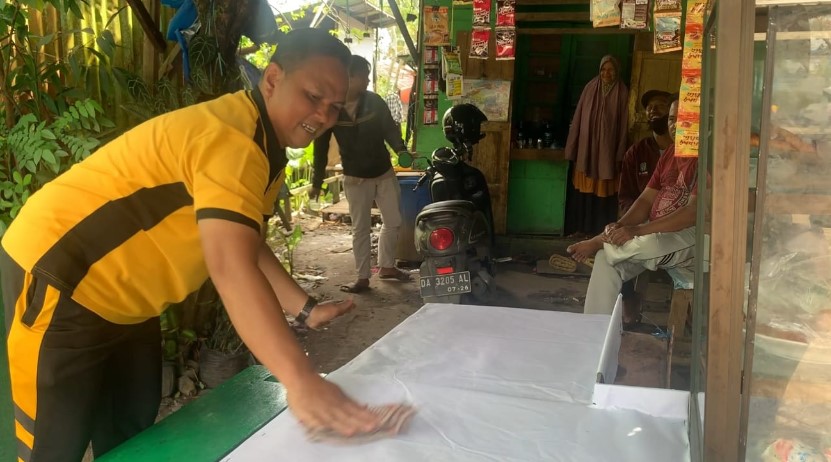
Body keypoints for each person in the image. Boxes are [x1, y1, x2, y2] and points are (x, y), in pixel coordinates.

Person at [1, 29, 384, 462]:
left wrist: (304, 308)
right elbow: (230, 266)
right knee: (51, 446)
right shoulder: (233, 141)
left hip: (128, 299)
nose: (323, 115)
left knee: (131, 434)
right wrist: (300, 381)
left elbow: (246, 242)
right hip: (63, 276)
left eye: (334, 106)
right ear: (273, 78)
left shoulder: (264, 142)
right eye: (313, 96)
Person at [567, 97, 698, 315]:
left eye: (684, 119)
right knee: (605, 260)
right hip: (656, 232)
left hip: (693, 236)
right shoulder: (669, 154)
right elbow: (645, 200)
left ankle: (599, 242)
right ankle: (594, 331)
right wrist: (619, 226)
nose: (676, 125)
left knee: (649, 244)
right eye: (673, 119)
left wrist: (635, 231)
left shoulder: (708, 157)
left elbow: (693, 213)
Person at [311, 55, 411, 294]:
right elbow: (321, 147)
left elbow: (390, 130)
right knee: (361, 228)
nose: (367, 80)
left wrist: (402, 151)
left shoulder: (374, 102)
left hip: (383, 172)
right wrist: (316, 182)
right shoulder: (332, 108)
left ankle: (387, 267)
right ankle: (362, 277)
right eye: (363, 76)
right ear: (349, 77)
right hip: (355, 178)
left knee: (394, 221)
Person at [617, 89, 674, 328]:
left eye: (660, 105)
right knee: (617, 249)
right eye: (650, 106)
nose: (653, 110)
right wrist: (634, 223)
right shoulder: (637, 152)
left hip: (675, 224)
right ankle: (629, 301)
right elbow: (627, 197)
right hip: (643, 223)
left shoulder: (686, 153)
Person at [564, 55, 630, 237]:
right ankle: (581, 229)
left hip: (606, 153)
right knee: (584, 192)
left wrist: (619, 154)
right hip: (586, 151)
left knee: (603, 193)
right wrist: (573, 146)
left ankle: (599, 232)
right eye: (603, 69)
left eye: (610, 69)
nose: (606, 73)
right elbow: (578, 118)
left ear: (617, 71)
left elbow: (624, 126)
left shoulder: (623, 92)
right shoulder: (590, 87)